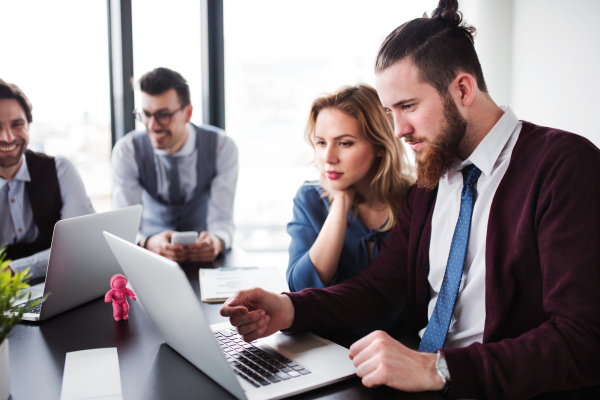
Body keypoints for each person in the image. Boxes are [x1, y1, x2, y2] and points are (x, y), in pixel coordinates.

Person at [220, 1, 600, 398]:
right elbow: (379, 287)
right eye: (390, 111)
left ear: (463, 89)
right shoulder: (433, 174)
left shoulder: (564, 165)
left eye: (408, 106)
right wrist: (289, 308)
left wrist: (439, 368)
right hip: (422, 380)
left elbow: (584, 339)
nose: (399, 130)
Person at [286, 84, 413, 338]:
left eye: (344, 143)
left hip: (400, 350)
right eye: (321, 143)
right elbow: (302, 290)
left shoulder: (414, 200)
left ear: (380, 145)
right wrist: (341, 202)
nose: (328, 157)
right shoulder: (310, 198)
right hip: (327, 347)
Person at [112, 68, 238, 262]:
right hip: (149, 258)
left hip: (205, 260)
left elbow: (222, 220)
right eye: (146, 114)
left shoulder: (222, 147)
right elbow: (124, 228)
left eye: (163, 115)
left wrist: (218, 241)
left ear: (188, 113)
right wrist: (146, 243)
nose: (153, 125)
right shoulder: (127, 151)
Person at [0, 79, 94, 278]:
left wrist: (13, 270)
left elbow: (81, 244)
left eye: (17, 125)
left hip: (60, 284)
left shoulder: (60, 170)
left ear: (28, 125)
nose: (7, 137)